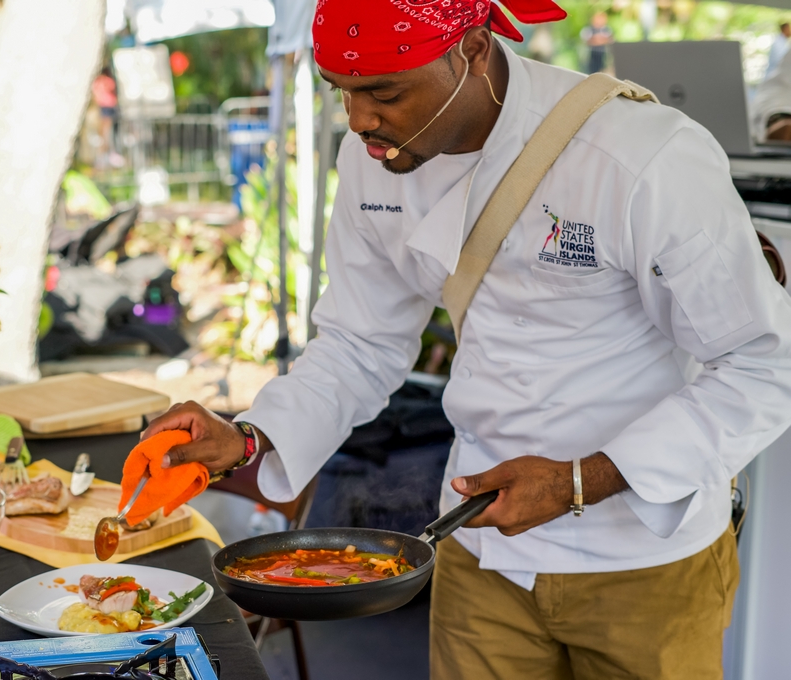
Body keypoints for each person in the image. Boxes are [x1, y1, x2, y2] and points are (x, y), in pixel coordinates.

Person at [141, 0, 791, 676]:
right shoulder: (374, 158)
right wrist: (250, 438)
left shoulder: (637, 155)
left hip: (643, 560)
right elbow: (360, 341)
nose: (360, 120)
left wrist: (580, 479)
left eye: (384, 92)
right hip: (478, 548)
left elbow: (764, 363)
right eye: (343, 92)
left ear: (473, 51)